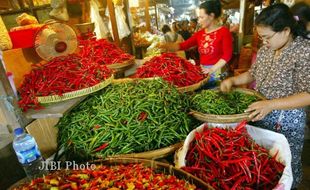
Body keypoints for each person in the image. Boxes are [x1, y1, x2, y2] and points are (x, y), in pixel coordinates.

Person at [220, 3, 310, 189]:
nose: (263, 42)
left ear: (285, 31)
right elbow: (253, 73)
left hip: (287, 121)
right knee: (261, 165)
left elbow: (308, 94)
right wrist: (233, 81)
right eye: (261, 37)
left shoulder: (304, 51)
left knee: (284, 166)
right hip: (261, 113)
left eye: (267, 37)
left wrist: (271, 104)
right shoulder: (266, 49)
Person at [161, 0, 233, 87]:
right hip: (203, 71)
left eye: (201, 17)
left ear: (211, 16)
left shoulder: (223, 32)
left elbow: (227, 55)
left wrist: (212, 69)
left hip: (218, 72)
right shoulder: (200, 33)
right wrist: (169, 46)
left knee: (215, 95)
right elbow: (184, 45)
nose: (199, 21)